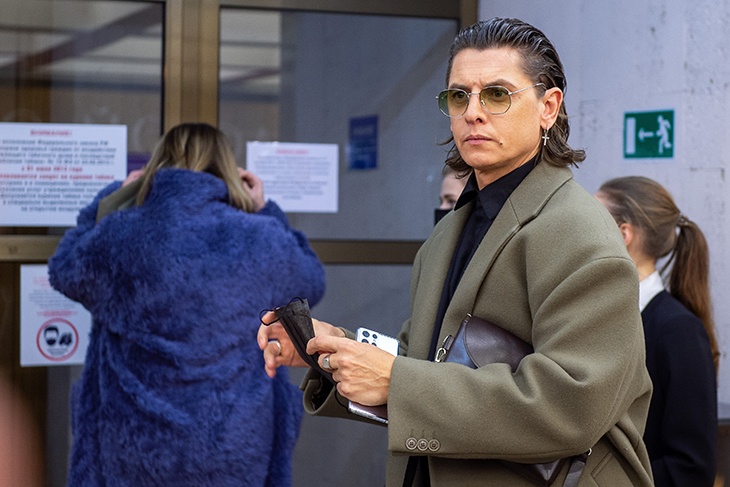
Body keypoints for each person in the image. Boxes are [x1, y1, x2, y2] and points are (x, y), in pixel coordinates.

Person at [259, 17, 654, 487]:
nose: (473, 112)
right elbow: (426, 360)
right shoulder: (449, 232)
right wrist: (332, 349)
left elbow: (571, 405)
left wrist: (397, 382)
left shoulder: (580, 232)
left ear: (548, 107)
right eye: (459, 96)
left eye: (497, 95)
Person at [49, 123, 325, 486]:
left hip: (135, 443)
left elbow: (65, 269)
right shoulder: (260, 236)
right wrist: (266, 210)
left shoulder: (121, 233)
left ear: (159, 162)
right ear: (226, 168)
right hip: (234, 440)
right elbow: (311, 282)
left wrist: (111, 200)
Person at [596, 176, 718, 487]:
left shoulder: (679, 331)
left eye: (592, 220)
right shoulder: (598, 315)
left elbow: (692, 468)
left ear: (623, 234)